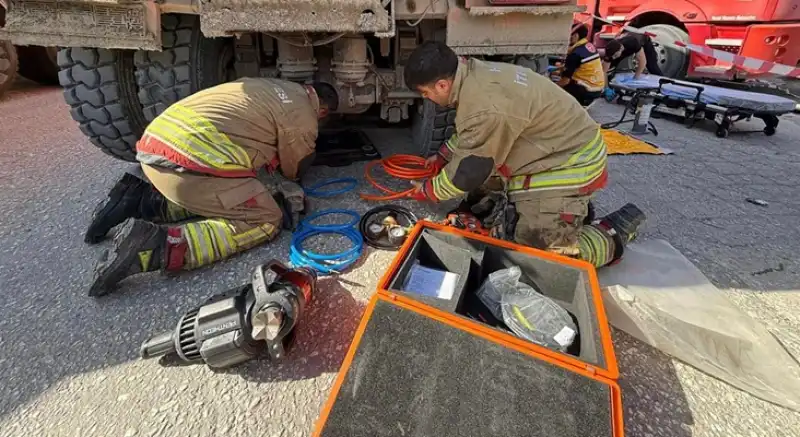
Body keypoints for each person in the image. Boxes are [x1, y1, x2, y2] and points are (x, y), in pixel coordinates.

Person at [84, 78, 338, 296]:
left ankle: (137, 200)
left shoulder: (268, 85)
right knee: (266, 216)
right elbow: (293, 169)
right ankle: (155, 246)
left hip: (155, 151)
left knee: (232, 185)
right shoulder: (303, 116)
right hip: (185, 168)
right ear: (324, 111)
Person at [404, 41, 646, 269]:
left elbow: (468, 172)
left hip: (568, 164)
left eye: (425, 93)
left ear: (442, 85)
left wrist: (429, 190)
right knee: (486, 190)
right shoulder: (473, 73)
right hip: (553, 146)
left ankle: (610, 234)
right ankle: (557, 213)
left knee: (541, 257)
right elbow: (477, 132)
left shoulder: (485, 105)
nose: (427, 99)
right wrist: (445, 155)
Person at [557, 24, 605, 106]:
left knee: (558, 91)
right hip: (597, 87)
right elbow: (582, 68)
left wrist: (549, 86)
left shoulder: (575, 54)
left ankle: (576, 104)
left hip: (587, 90)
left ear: (575, 35)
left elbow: (565, 81)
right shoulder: (588, 45)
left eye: (569, 35)